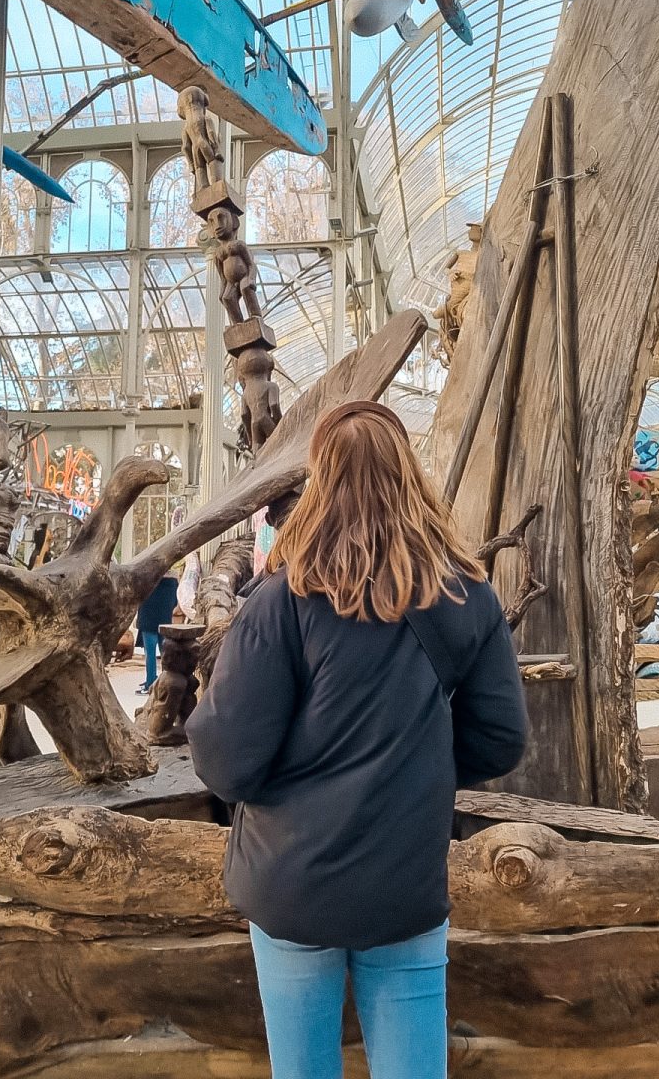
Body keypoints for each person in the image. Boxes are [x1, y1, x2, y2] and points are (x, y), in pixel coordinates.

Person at [187, 401, 528, 1079]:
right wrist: (414, 765)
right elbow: (500, 738)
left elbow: (226, 760)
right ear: (412, 478)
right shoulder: (469, 597)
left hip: (289, 884)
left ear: (320, 483)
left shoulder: (281, 602)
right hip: (404, 880)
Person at [135, 573, 179, 695]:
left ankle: (150, 683)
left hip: (148, 620)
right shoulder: (173, 582)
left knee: (150, 654)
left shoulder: (146, 580)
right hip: (164, 621)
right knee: (165, 653)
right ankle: (167, 683)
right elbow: (175, 603)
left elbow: (137, 597)